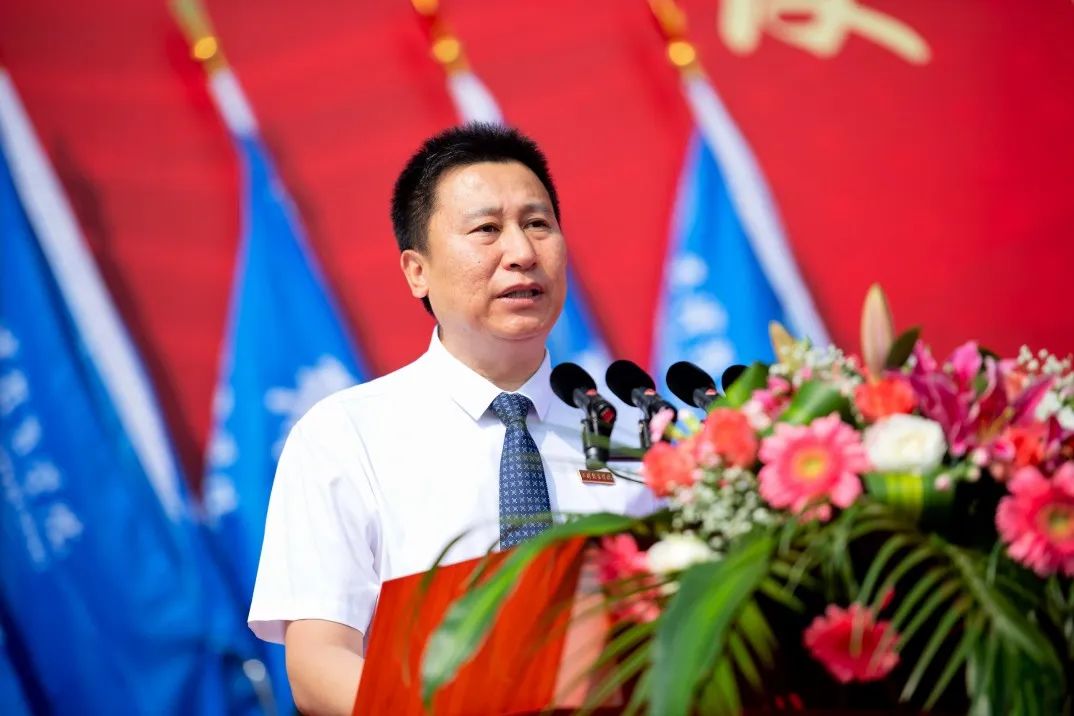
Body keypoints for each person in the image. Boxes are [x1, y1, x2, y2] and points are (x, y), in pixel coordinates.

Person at [248, 123, 660, 715]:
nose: (522, 253)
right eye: (487, 229)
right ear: (417, 271)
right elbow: (319, 664)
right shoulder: (345, 435)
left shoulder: (634, 438)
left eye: (538, 224)